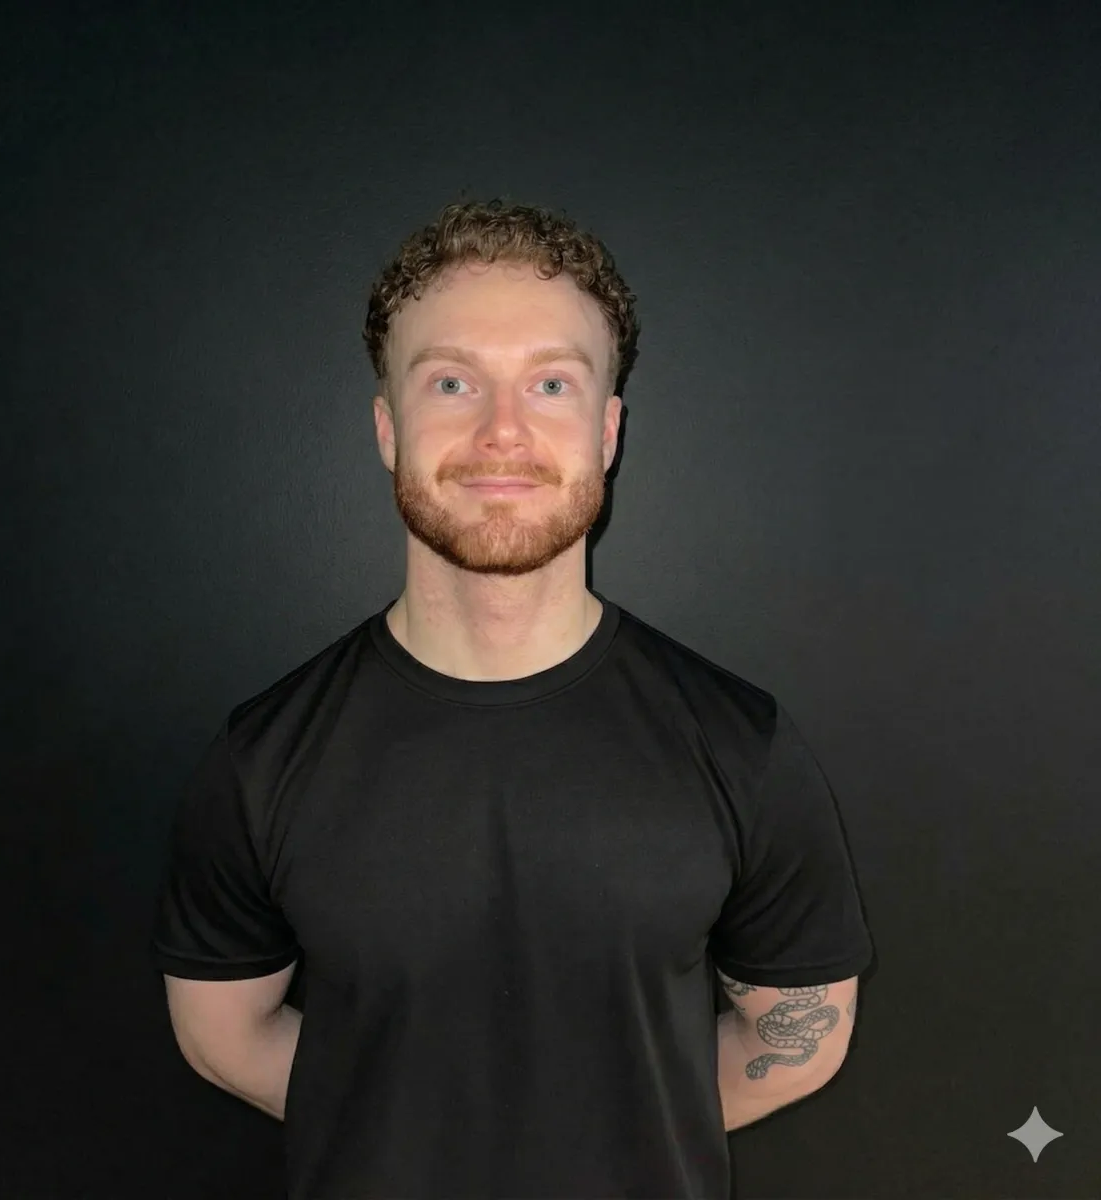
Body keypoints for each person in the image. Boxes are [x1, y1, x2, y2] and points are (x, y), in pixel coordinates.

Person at [150, 198, 874, 1199]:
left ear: (608, 430)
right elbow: (221, 1034)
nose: (503, 431)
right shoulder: (262, 758)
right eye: (451, 381)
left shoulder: (740, 744)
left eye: (550, 383)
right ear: (386, 427)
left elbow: (803, 1033)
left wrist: (607, 1128)